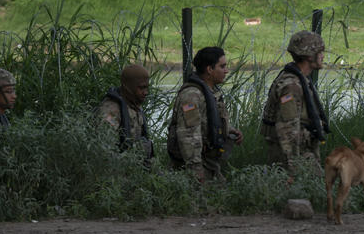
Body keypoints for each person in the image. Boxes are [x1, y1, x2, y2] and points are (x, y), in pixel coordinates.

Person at [166, 47, 244, 182]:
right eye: (222, 66)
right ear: (209, 69)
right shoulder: (191, 96)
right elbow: (188, 135)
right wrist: (196, 170)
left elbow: (210, 122)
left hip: (210, 163)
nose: (226, 71)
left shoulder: (212, 92)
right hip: (194, 167)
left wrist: (230, 131)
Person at [261, 30, 329, 175]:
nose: (323, 56)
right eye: (320, 52)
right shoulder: (292, 86)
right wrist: (292, 168)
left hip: (302, 151)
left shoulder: (301, 79)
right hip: (293, 156)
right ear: (310, 56)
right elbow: (287, 129)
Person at [98, 63, 154, 163]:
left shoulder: (135, 106)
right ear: (129, 87)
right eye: (141, 88)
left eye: (146, 87)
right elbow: (104, 149)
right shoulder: (112, 109)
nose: (146, 92)